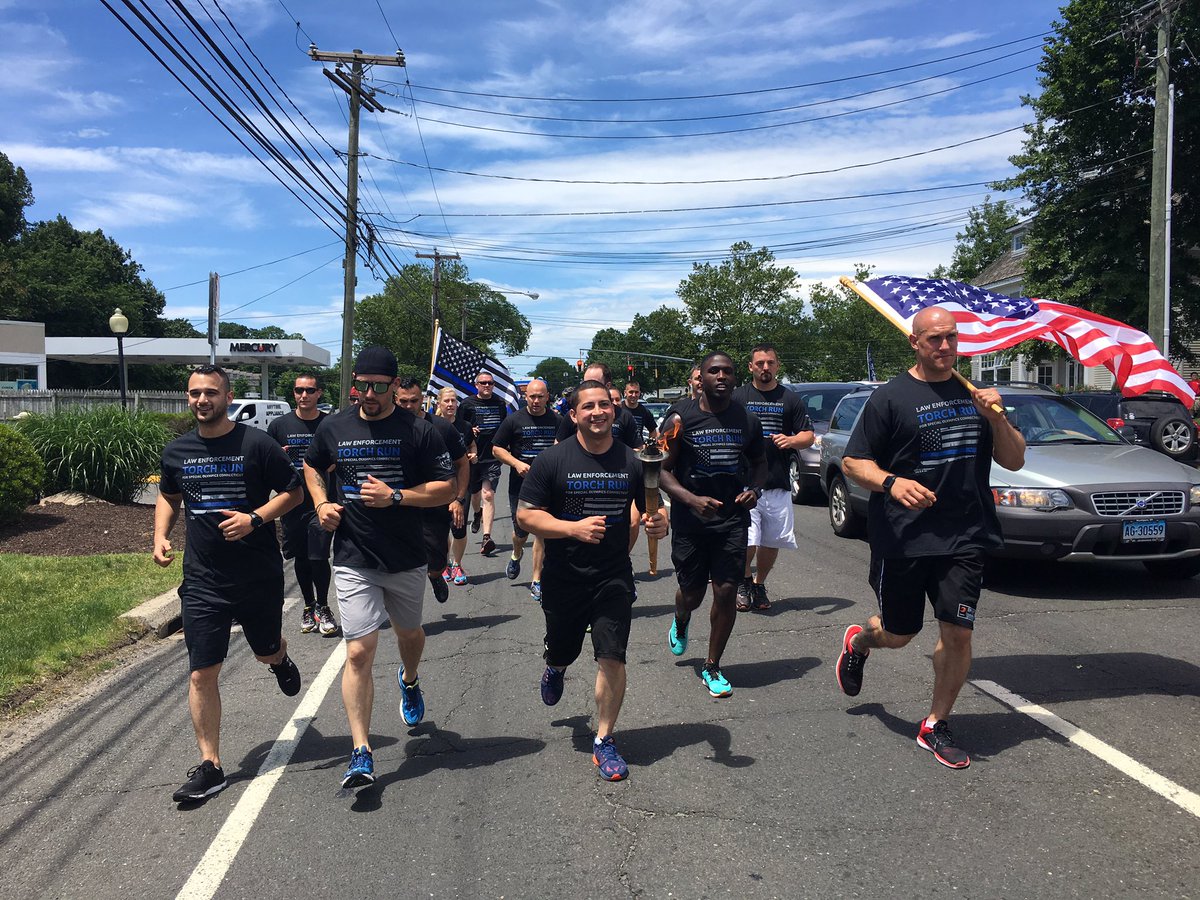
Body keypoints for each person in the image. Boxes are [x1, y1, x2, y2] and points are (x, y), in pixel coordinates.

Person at [835, 306, 1025, 769]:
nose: (944, 347)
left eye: (951, 338)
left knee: (958, 632)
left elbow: (1015, 460)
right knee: (900, 633)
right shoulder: (889, 398)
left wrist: (997, 417)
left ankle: (935, 723)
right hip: (904, 537)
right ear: (915, 343)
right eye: (934, 339)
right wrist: (892, 483)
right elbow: (853, 462)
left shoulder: (977, 397)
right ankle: (860, 642)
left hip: (965, 533)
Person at [303, 347, 455, 790]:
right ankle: (361, 752)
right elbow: (311, 467)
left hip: (406, 555)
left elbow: (445, 488)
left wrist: (397, 496)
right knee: (357, 651)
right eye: (360, 385)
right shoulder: (335, 426)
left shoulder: (419, 430)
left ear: (394, 385)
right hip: (353, 557)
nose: (367, 394)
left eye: (378, 387)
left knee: (409, 635)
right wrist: (322, 503)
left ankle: (409, 680)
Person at [154, 365, 304, 803]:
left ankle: (279, 659)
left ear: (228, 396)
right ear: (188, 397)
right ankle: (211, 766)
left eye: (212, 393)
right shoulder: (177, 450)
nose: (203, 400)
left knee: (263, 650)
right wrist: (160, 535)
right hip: (203, 580)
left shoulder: (257, 444)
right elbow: (168, 494)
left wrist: (255, 517)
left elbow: (293, 492)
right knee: (203, 671)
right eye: (195, 393)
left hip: (257, 574)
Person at [517, 380, 668, 781]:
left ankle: (604, 741)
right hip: (564, 577)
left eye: (605, 405)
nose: (598, 412)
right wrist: (571, 528)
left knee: (612, 656)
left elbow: (651, 506)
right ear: (574, 415)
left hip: (613, 576)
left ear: (614, 411)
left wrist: (659, 522)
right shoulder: (552, 460)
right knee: (564, 647)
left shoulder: (632, 462)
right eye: (589, 407)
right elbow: (526, 516)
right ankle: (555, 664)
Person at [659, 352, 766, 699]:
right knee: (692, 594)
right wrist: (690, 500)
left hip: (732, 520)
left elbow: (760, 463)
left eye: (728, 372)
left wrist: (755, 489)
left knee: (725, 591)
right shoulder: (679, 418)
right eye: (713, 371)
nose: (721, 376)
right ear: (700, 378)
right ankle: (681, 616)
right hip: (690, 521)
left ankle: (712, 665)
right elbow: (659, 469)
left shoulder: (747, 420)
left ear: (735, 379)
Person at [732, 344, 813, 612]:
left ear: (778, 365)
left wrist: (790, 440)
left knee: (771, 540)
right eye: (760, 363)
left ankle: (759, 583)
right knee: (749, 539)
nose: (765, 368)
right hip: (744, 481)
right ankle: (743, 581)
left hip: (777, 482)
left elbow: (808, 435)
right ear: (750, 367)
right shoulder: (738, 397)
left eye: (770, 363)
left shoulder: (790, 399)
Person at [267, 374, 339, 636]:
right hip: (292, 501)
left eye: (310, 390)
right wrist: (281, 459)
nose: (304, 395)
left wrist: (332, 463)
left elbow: (342, 457)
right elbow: (268, 463)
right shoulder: (279, 426)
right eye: (299, 390)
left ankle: (323, 605)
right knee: (301, 557)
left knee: (318, 555)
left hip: (321, 501)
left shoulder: (329, 424)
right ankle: (308, 606)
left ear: (319, 393)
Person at [394, 379, 470, 605]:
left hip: (435, 502)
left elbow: (463, 464)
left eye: (414, 401)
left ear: (423, 400)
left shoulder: (442, 427)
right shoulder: (386, 427)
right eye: (403, 401)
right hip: (398, 503)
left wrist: (458, 499)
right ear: (395, 400)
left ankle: (436, 576)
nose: (408, 406)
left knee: (436, 561)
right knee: (397, 560)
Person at [491, 378, 560, 602]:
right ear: (525, 397)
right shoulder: (514, 420)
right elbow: (497, 448)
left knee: (541, 533)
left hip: (549, 486)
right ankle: (516, 552)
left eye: (541, 396)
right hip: (521, 485)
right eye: (532, 396)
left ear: (547, 397)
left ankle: (537, 580)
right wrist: (516, 463)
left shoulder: (557, 420)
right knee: (521, 532)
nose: (536, 400)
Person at [460, 371, 508, 557]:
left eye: (490, 383)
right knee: (475, 494)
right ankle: (477, 513)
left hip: (492, 457)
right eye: (483, 383)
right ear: (476, 385)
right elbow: (458, 427)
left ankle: (487, 537)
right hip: (472, 457)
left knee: (488, 494)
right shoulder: (467, 404)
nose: (487, 386)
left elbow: (505, 427)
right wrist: (468, 430)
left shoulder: (499, 403)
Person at [434, 386, 476, 586]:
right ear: (439, 403)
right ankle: (444, 565)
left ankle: (457, 563)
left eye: (453, 401)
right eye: (446, 401)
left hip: (461, 481)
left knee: (458, 527)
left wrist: (473, 454)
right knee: (441, 528)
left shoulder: (465, 426)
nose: (450, 405)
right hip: (438, 483)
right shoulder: (431, 425)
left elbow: (471, 445)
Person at [556, 363, 642, 451]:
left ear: (608, 386)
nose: (587, 388)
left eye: (594, 384)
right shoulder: (574, 415)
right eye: (585, 383)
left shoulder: (625, 416)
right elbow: (558, 447)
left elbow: (637, 449)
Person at [622, 380, 659, 446]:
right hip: (621, 448)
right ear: (625, 393)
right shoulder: (619, 409)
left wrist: (650, 445)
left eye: (636, 392)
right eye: (631, 392)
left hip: (638, 449)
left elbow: (653, 430)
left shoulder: (644, 411)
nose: (634, 395)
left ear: (639, 393)